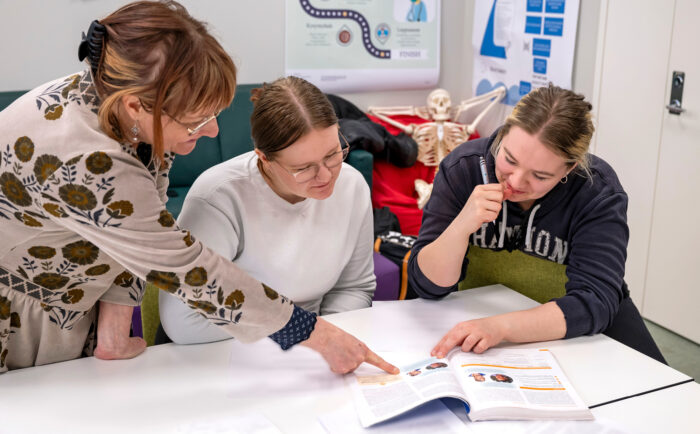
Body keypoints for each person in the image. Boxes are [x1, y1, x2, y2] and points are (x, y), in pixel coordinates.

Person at [0, 0, 397, 376]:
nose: (213, 131)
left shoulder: (120, 103)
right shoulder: (88, 159)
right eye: (195, 121)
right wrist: (315, 334)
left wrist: (114, 333)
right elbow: (188, 269)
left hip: (70, 302)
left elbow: (137, 231)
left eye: (213, 113)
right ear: (136, 106)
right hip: (19, 319)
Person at [408, 84, 666, 364]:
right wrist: (461, 226)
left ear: (570, 168)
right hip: (480, 326)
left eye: (540, 176)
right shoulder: (464, 168)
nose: (516, 182)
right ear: (503, 134)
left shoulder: (596, 191)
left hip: (577, 339)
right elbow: (428, 285)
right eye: (509, 159)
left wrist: (501, 327)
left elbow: (595, 302)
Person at [159, 76, 375, 344]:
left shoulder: (352, 186)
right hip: (225, 351)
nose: (326, 176)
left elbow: (353, 287)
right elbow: (184, 322)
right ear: (264, 158)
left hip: (312, 346)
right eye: (303, 168)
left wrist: (327, 341)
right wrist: (305, 333)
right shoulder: (218, 198)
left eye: (333, 154)